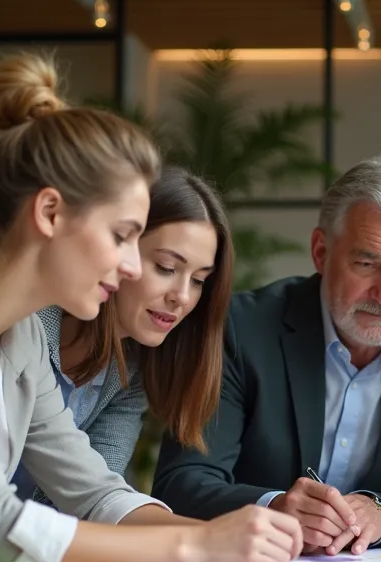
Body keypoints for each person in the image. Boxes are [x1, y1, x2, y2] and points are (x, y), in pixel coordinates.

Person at [0, 53, 301, 562]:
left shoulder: (20, 334)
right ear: (50, 213)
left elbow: (96, 491)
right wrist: (197, 543)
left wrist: (238, 545)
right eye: (123, 236)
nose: (129, 265)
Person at [153, 155, 381, 555]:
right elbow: (183, 481)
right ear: (320, 251)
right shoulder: (238, 330)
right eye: (366, 263)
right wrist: (274, 505)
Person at [12, 167, 233, 506]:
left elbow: (101, 499)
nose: (183, 296)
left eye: (199, 280)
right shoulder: (26, 322)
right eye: (166, 268)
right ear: (119, 248)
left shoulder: (131, 371)